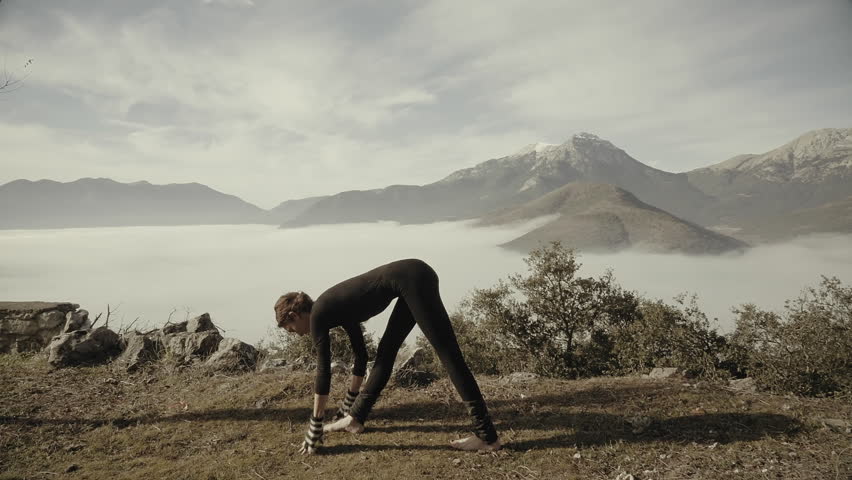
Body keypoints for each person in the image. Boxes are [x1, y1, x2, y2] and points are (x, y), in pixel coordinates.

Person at [274, 258, 501, 455]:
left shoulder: (320, 315)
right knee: (386, 350)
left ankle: (487, 437)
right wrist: (350, 405)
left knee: (449, 355)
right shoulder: (333, 308)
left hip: (414, 278)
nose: (297, 334)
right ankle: (356, 419)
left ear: (295, 315)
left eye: (291, 329)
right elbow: (361, 356)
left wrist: (315, 424)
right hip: (410, 280)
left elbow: (323, 372)